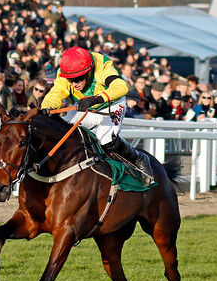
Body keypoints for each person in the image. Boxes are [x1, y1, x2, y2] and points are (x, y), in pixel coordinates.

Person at [40, 47, 154, 187]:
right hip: (87, 106)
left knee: (105, 139)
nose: (74, 83)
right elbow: (56, 93)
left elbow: (121, 87)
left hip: (112, 105)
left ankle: (139, 159)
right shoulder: (63, 74)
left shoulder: (101, 65)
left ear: (88, 72)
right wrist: (47, 106)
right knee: (62, 131)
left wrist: (96, 99)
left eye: (78, 78)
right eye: (71, 80)